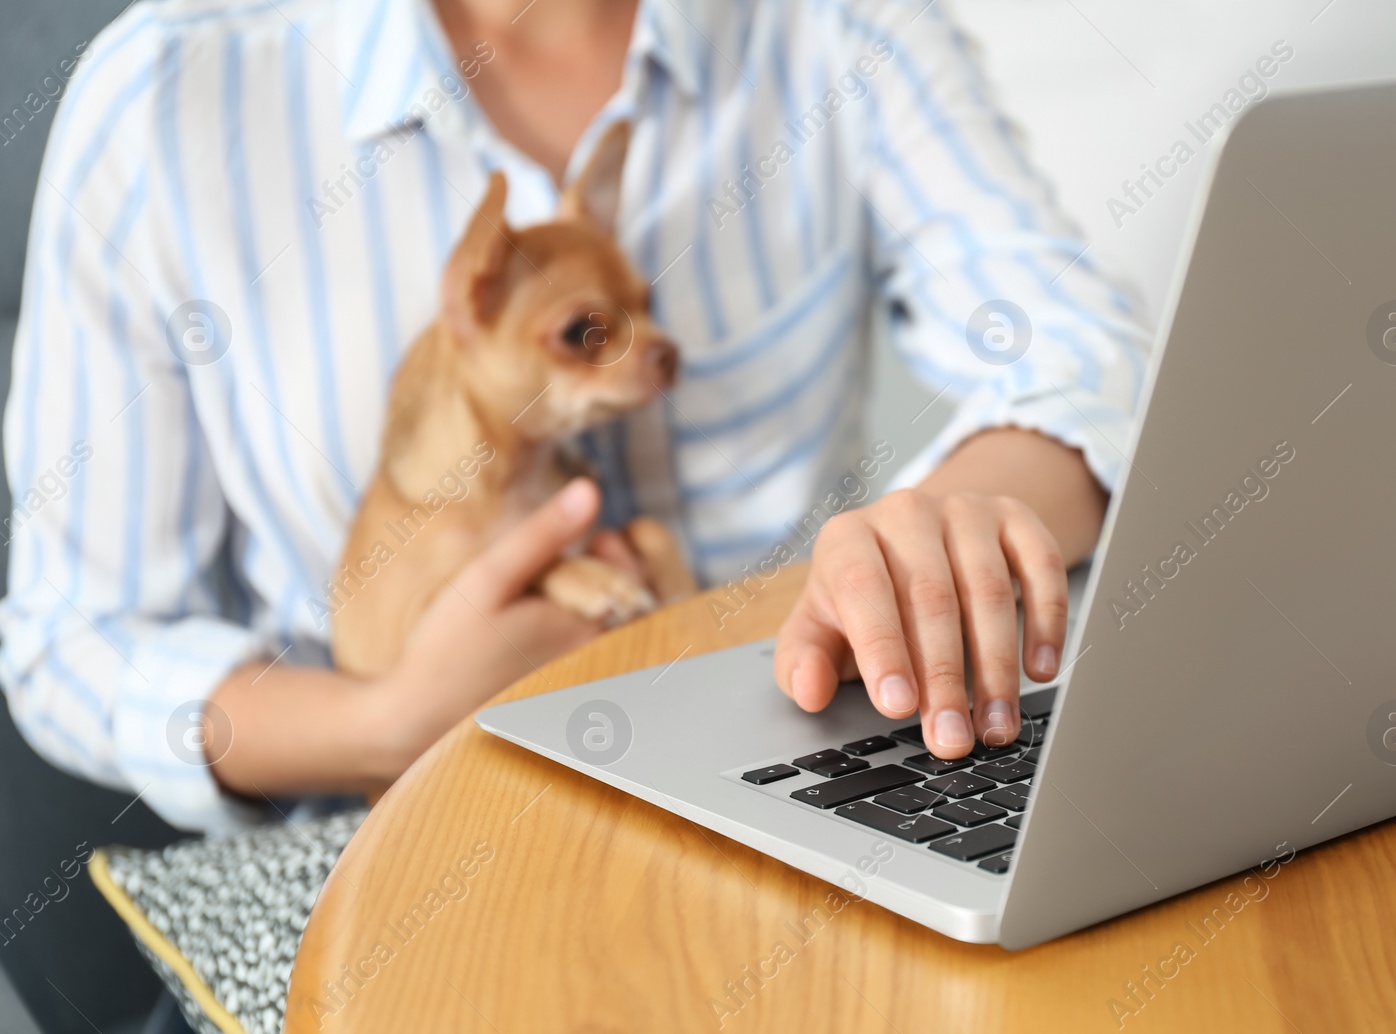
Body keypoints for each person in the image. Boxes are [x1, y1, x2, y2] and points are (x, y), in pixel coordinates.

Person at [0, 0, 1146, 833]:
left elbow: (1086, 354)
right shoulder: (168, 101)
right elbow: (71, 638)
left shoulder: (837, 31)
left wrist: (934, 526)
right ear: (476, 294)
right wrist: (381, 724)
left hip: (773, 785)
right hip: (382, 847)